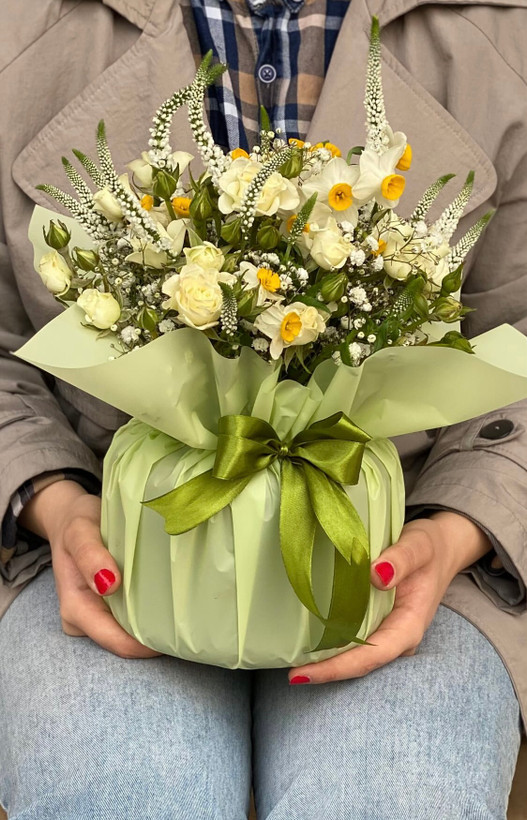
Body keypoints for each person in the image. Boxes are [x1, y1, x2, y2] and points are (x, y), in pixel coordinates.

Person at [0, 0, 526, 817]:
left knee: (396, 798)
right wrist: (51, 500)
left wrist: (459, 528)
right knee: (125, 796)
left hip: (409, 538)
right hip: (101, 534)